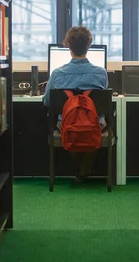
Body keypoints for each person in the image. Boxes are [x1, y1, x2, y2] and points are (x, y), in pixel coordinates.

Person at [43, 26, 108, 182]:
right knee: (98, 125)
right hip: (94, 124)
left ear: (69, 46)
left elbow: (46, 102)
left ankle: (82, 170)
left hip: (66, 126)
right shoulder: (101, 73)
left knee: (69, 126)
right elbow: (103, 103)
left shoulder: (57, 74)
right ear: (89, 46)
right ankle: (84, 170)